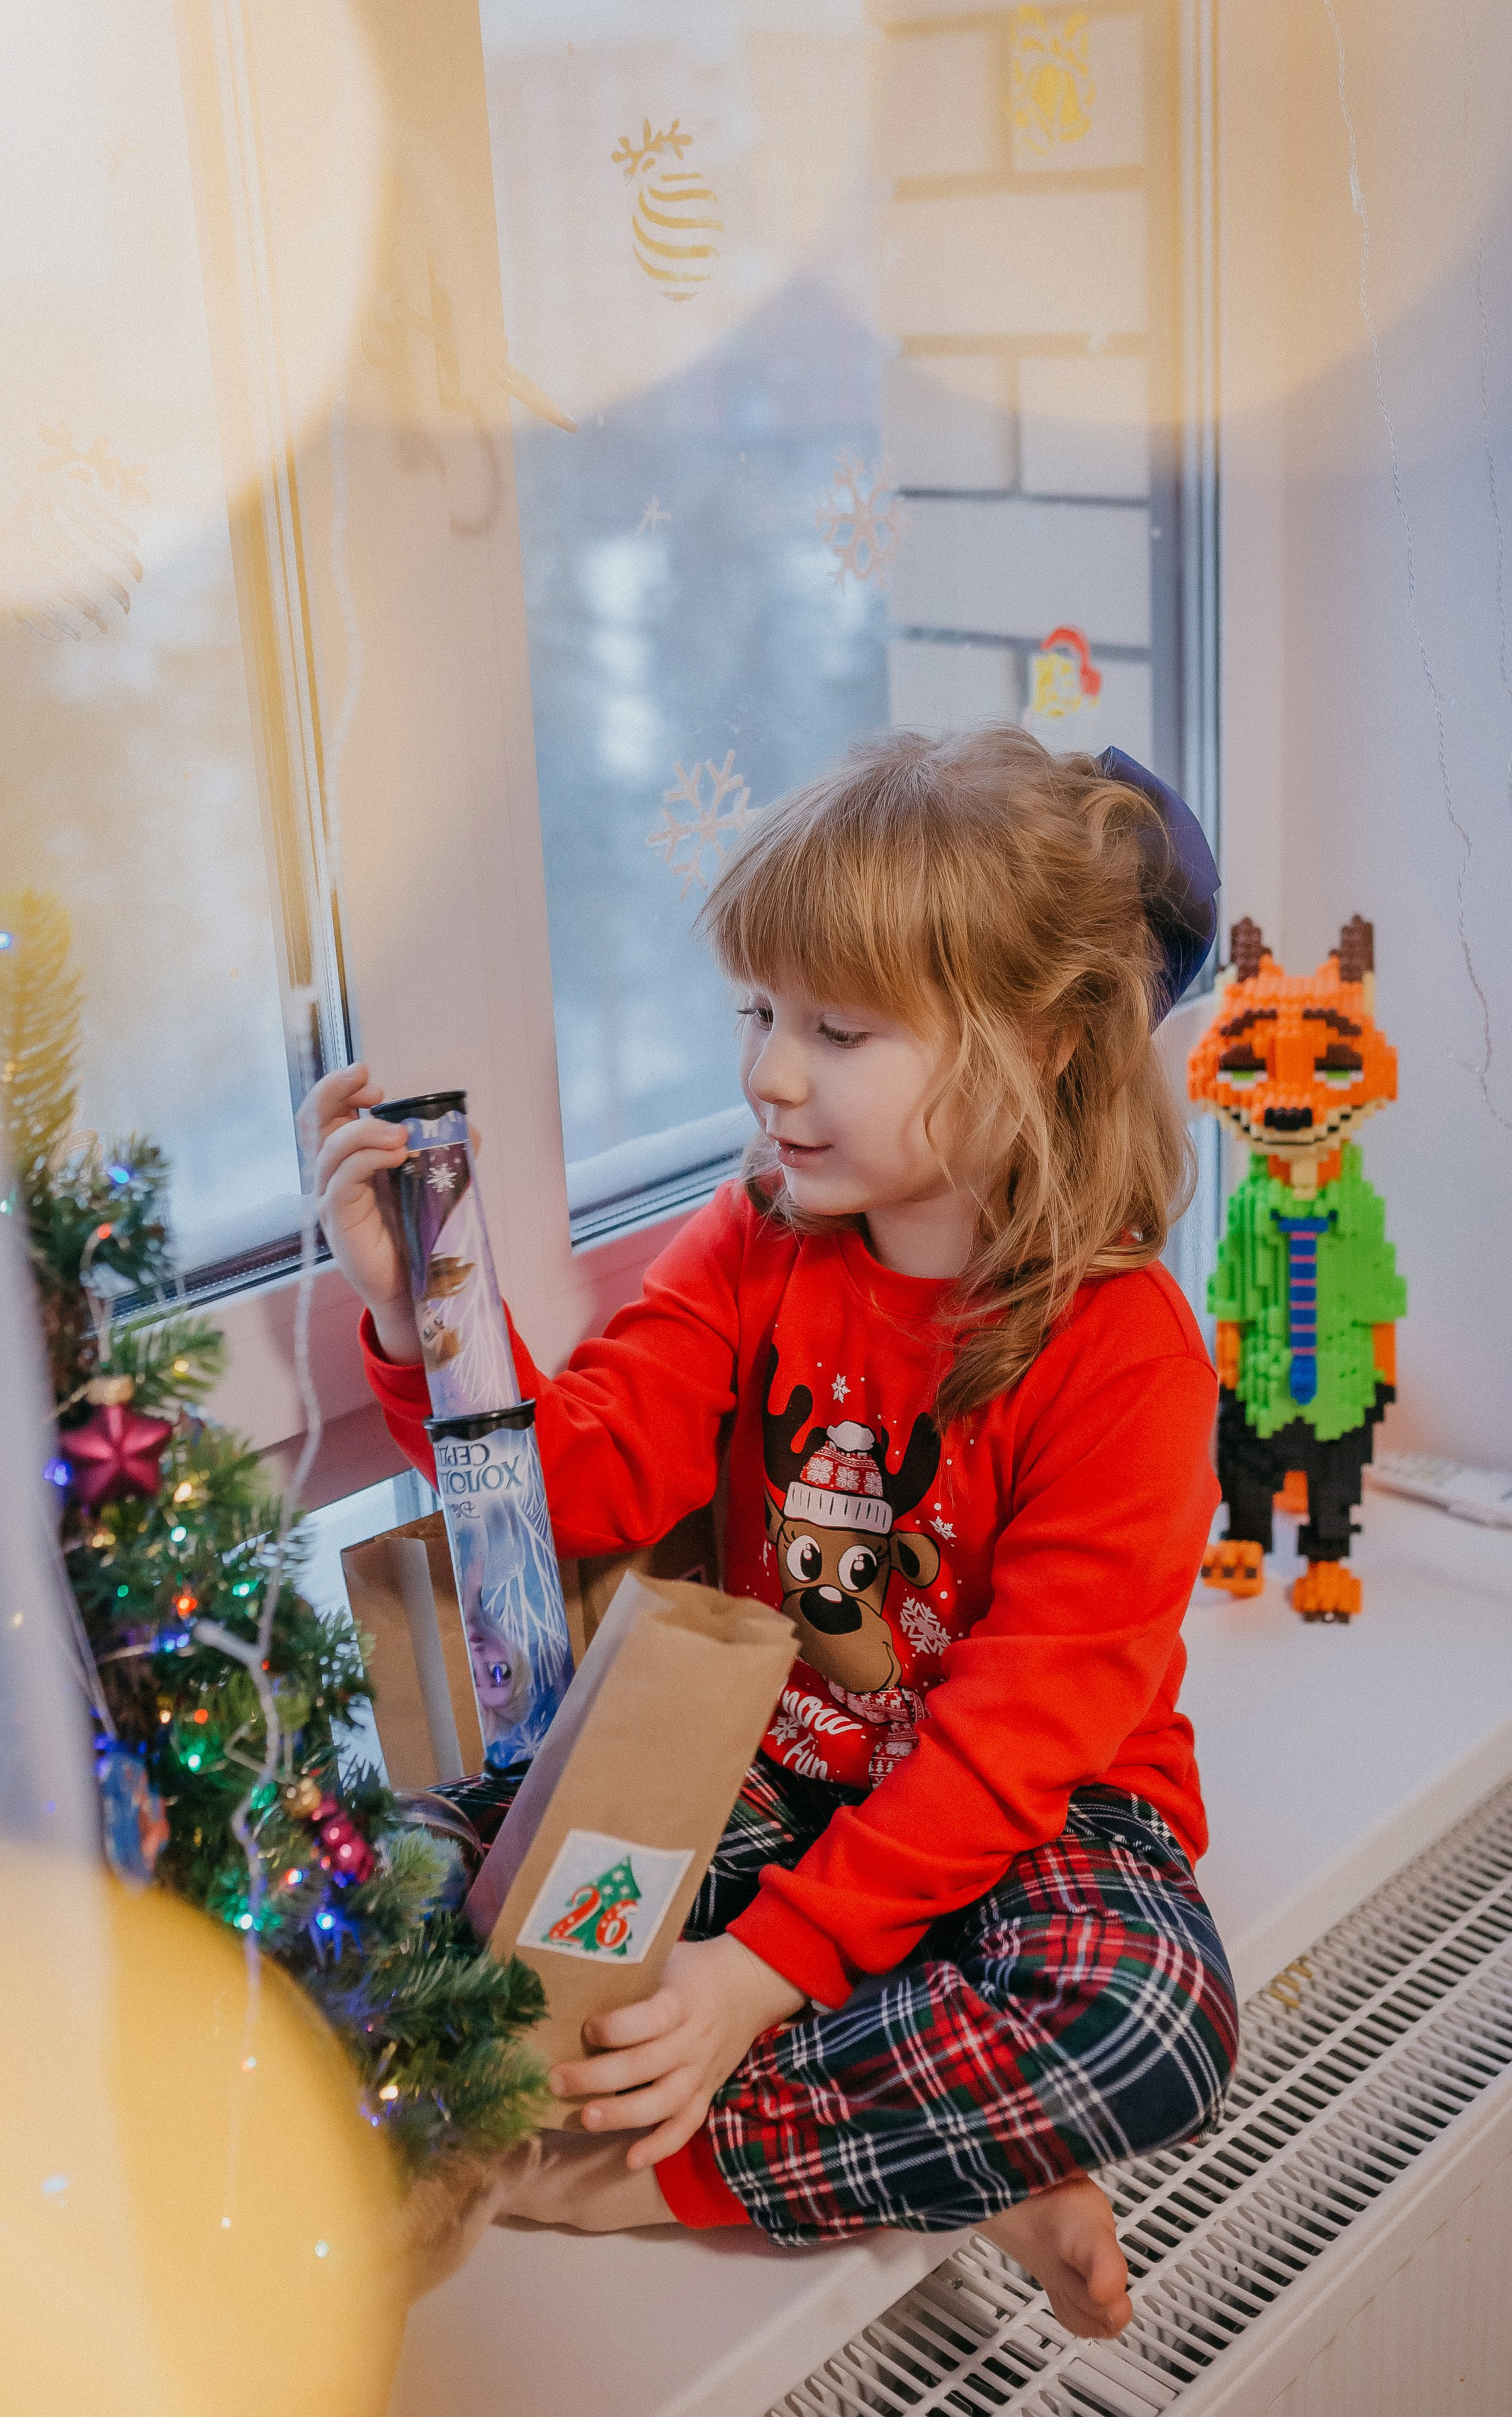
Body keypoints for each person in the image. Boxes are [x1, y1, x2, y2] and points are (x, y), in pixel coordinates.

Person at [304, 727, 1237, 2340]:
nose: (770, 1075)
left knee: (1148, 2022)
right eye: (758, 1014)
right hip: (769, 1767)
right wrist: (418, 1311)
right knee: (390, 1874)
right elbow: (582, 1484)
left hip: (1031, 1817)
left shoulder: (1125, 1352)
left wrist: (752, 1980)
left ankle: (607, 2164)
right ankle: (954, 2152)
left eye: (838, 1030)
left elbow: (1009, 1753)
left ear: (1039, 1048)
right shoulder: (753, 1239)